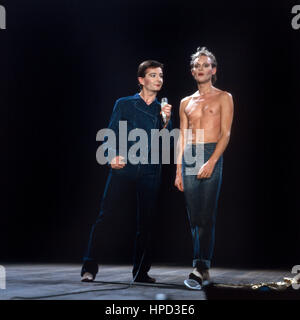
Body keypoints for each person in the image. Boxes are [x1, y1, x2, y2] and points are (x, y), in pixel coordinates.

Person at [81, 60, 172, 283]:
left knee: (147, 223)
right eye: (153, 75)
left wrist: (167, 120)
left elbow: (167, 141)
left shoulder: (162, 108)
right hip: (124, 168)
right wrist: (111, 155)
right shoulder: (124, 103)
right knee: (106, 217)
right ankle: (89, 267)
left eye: (160, 75)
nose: (158, 79)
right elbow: (108, 133)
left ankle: (140, 272)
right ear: (141, 80)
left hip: (150, 170)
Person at [175, 47, 234, 289]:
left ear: (213, 70)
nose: (200, 68)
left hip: (211, 152)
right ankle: (202, 267)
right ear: (192, 71)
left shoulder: (224, 97)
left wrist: (211, 162)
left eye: (205, 65)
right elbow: (182, 137)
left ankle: (200, 266)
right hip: (190, 155)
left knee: (207, 215)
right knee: (194, 216)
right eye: (196, 66)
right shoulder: (185, 102)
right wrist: (178, 170)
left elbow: (226, 133)